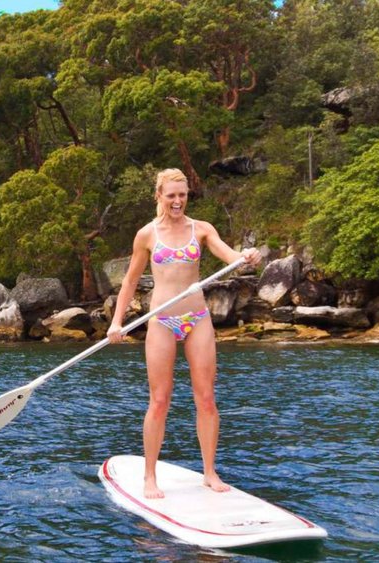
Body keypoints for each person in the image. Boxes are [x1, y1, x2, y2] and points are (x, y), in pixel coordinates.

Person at [107, 169, 261, 499]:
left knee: (206, 399)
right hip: (161, 320)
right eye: (171, 195)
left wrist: (244, 257)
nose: (177, 201)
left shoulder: (201, 229)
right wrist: (116, 322)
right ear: (159, 196)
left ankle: (209, 472)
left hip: (197, 318)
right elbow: (131, 282)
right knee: (159, 401)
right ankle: (150, 476)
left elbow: (228, 255)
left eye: (183, 194)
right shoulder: (146, 235)